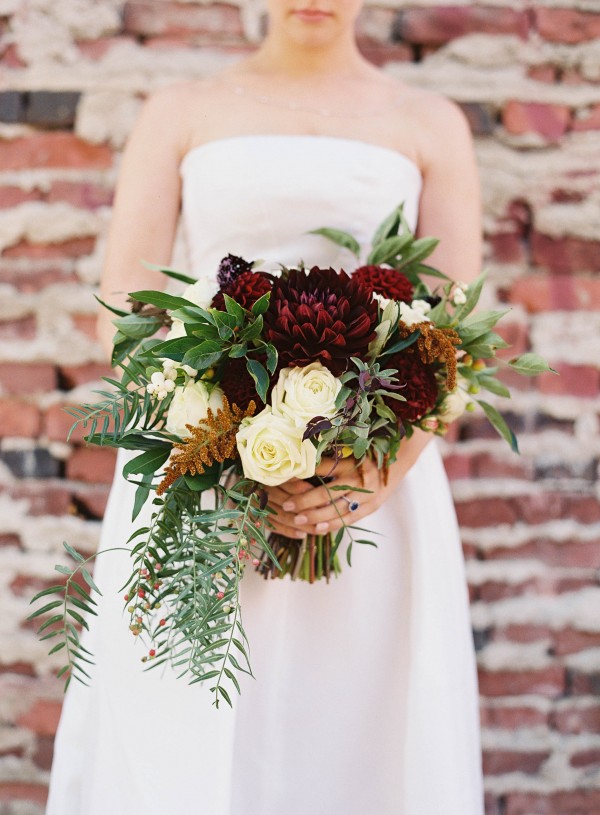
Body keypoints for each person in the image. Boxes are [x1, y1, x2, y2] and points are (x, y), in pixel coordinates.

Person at [47, 0, 484, 812]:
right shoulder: (179, 111)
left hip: (372, 485)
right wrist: (221, 431)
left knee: (355, 736)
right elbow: (126, 307)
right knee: (185, 732)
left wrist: (375, 474)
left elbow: (456, 341)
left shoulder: (432, 123)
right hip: (204, 476)